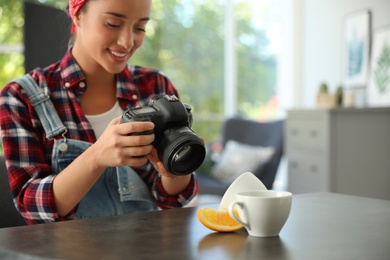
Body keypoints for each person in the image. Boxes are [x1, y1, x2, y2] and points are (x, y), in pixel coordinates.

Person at [0, 0, 198, 225]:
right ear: (77, 16)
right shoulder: (21, 96)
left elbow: (171, 200)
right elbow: (32, 207)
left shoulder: (156, 87)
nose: (127, 42)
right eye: (112, 23)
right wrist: (97, 157)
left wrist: (175, 171)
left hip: (145, 247)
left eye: (140, 28)